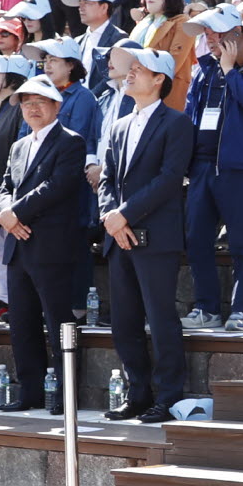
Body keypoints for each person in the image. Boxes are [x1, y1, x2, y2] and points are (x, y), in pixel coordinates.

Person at [99, 43, 192, 421]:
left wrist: (124, 214)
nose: (131, 72)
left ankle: (168, 396)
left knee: (160, 317)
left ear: (160, 79)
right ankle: (137, 393)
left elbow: (170, 179)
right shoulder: (120, 125)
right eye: (131, 67)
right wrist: (110, 216)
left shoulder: (176, 123)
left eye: (141, 69)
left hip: (155, 236)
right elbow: (106, 179)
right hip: (118, 237)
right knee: (124, 322)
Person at [178, 4, 243, 332]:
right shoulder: (202, 68)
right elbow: (192, 115)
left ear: (235, 32)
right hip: (202, 167)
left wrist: (231, 69)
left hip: (239, 167)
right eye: (206, 33)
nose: (209, 38)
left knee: (241, 242)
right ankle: (206, 307)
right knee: (197, 239)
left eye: (215, 32)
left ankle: (242, 309)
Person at [0, 74, 89, 412]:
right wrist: (7, 210)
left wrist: (14, 213)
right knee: (21, 322)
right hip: (19, 247)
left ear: (56, 106)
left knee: (59, 321)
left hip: (52, 246)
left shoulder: (70, 142)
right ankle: (30, 391)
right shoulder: (19, 146)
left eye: (39, 102)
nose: (32, 108)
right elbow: (4, 186)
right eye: (26, 102)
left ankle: (66, 392)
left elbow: (58, 185)